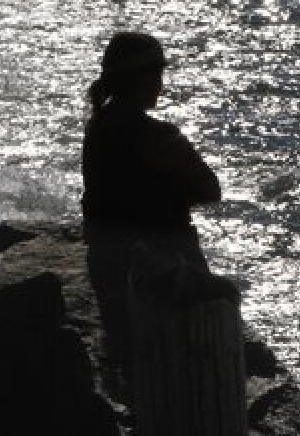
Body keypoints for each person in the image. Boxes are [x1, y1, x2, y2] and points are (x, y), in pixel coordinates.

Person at [80, 31, 222, 379]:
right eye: (157, 74)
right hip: (163, 271)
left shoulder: (97, 129)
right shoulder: (157, 136)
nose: (161, 84)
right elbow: (210, 190)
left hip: (108, 266)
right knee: (224, 302)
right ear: (139, 79)